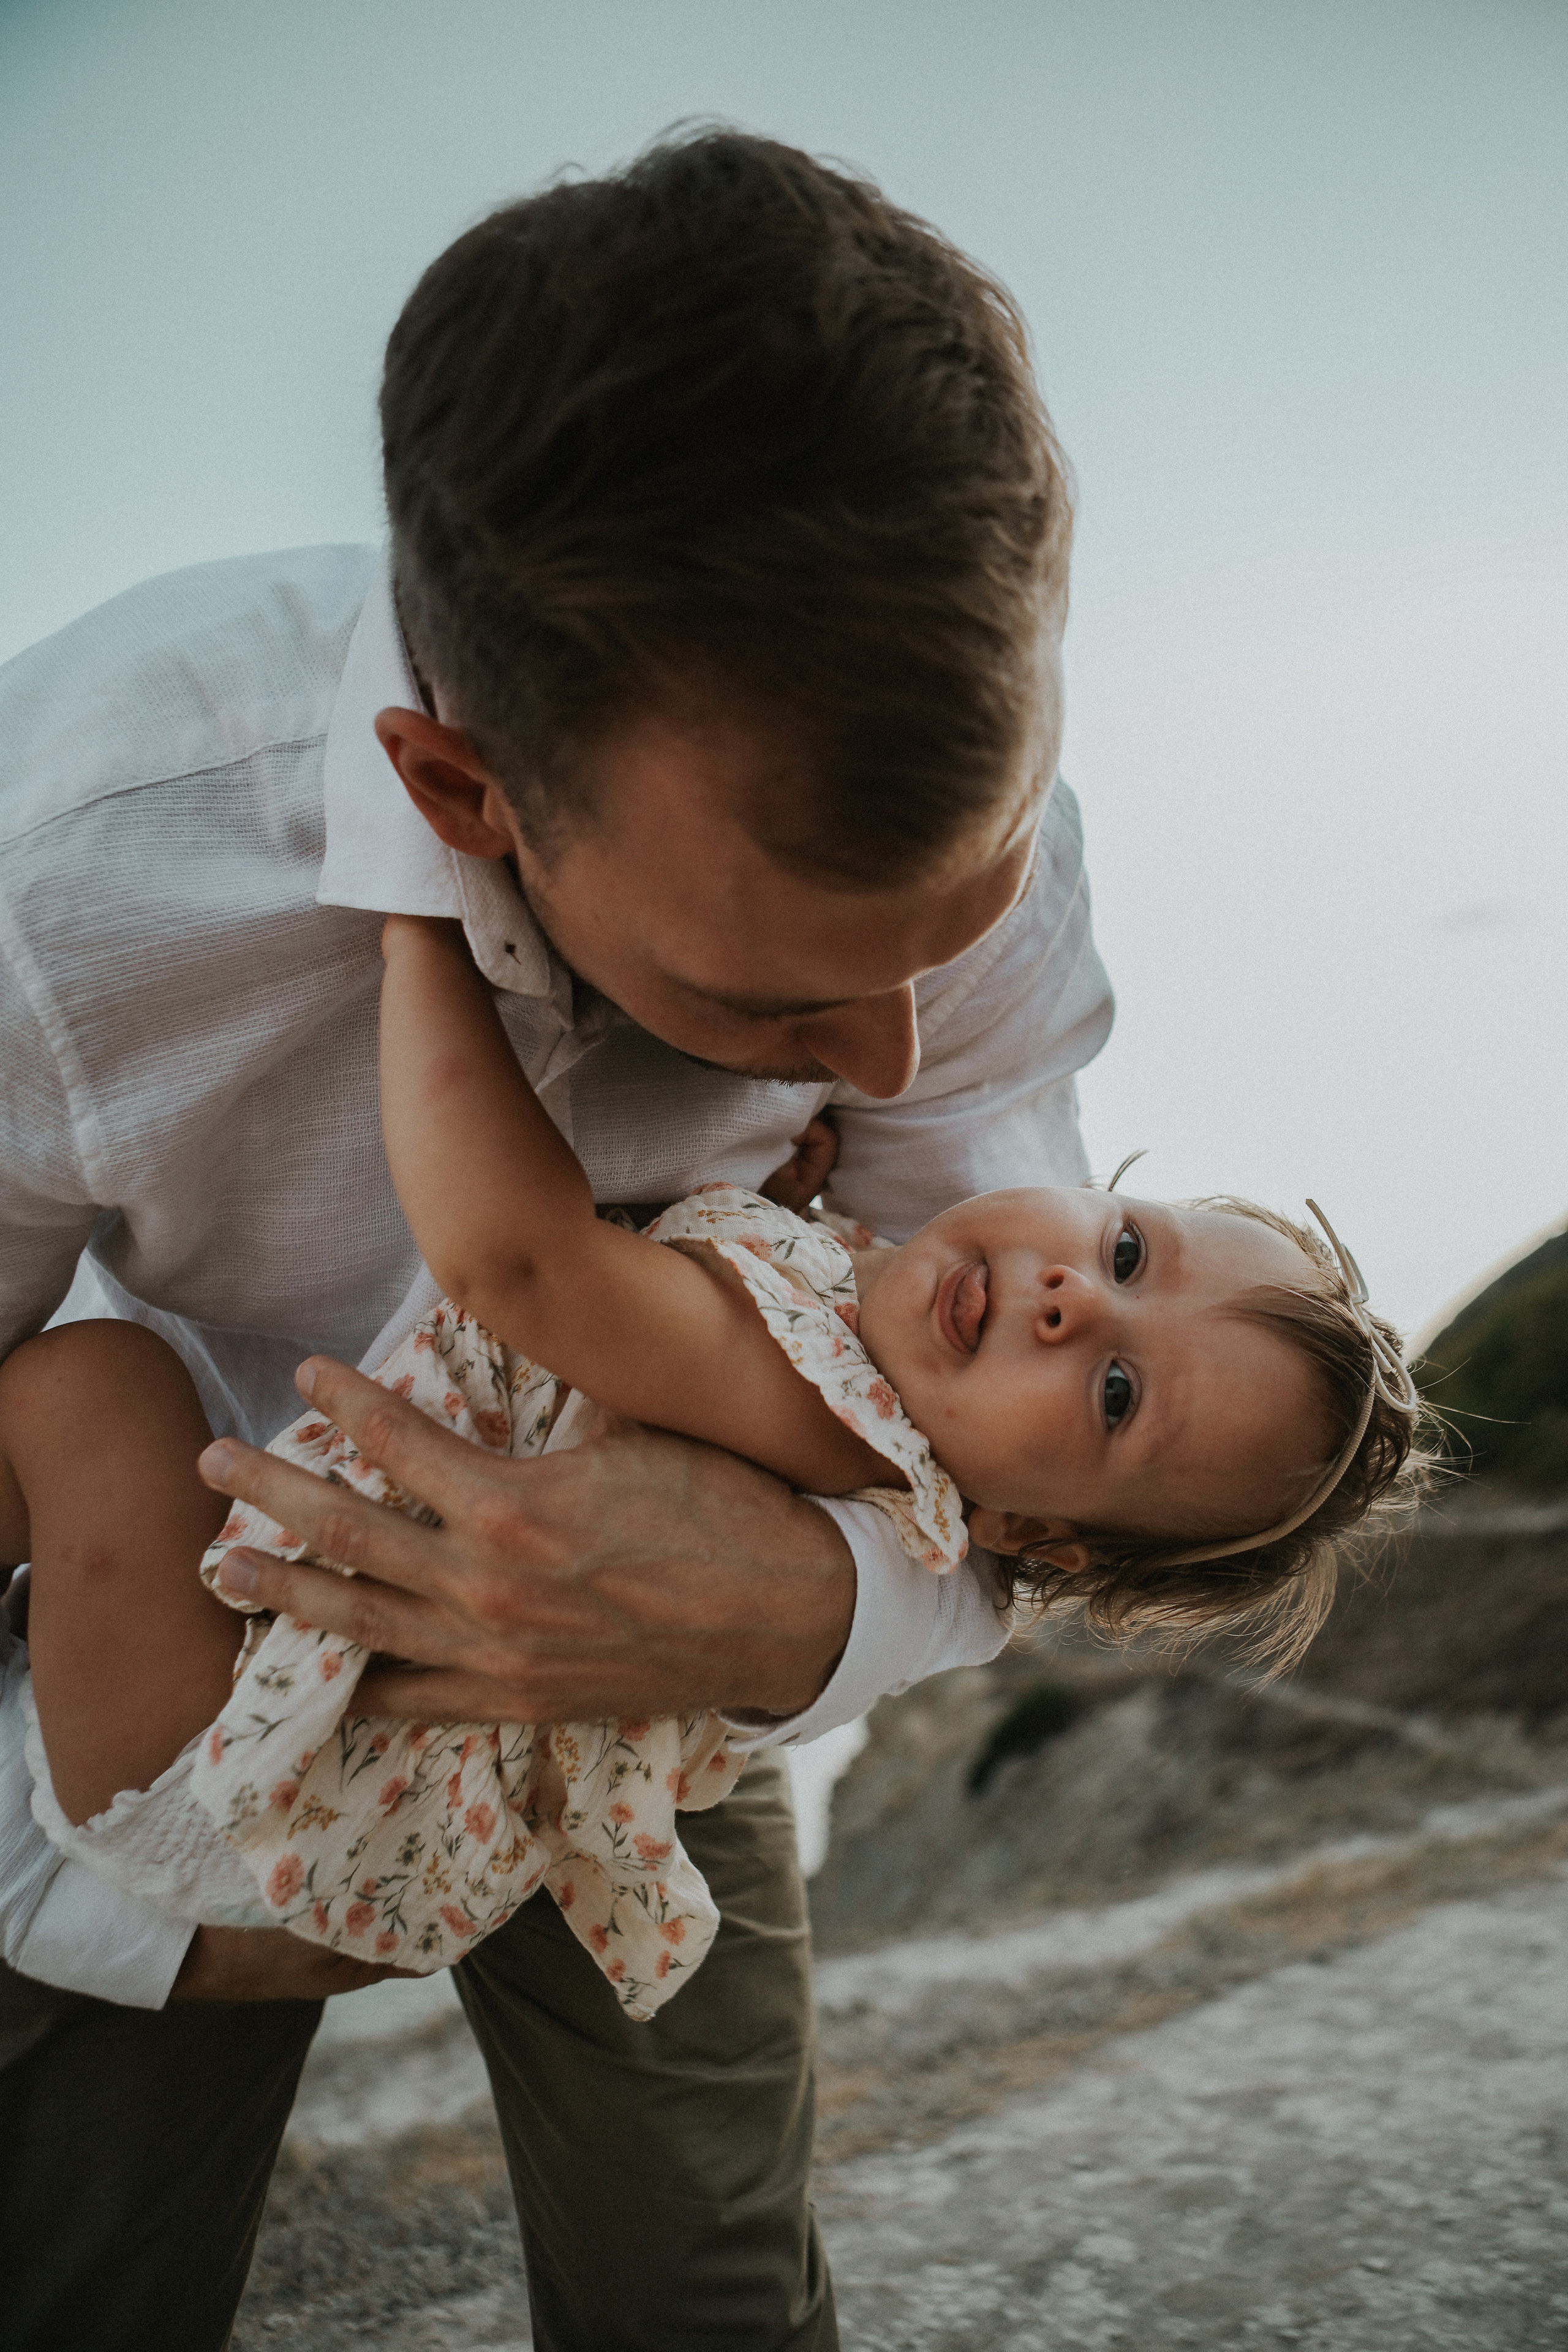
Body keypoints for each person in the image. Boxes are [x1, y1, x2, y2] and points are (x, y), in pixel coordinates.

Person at [0, 130, 1115, 2350]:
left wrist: (802, 1604)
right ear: (462, 794)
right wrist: (95, 1889)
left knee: (705, 2289)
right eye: (771, 996)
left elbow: (1022, 1476)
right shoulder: (67, 876)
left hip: (663, 1716)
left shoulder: (951, 826)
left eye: (956, 926)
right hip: (160, 1672)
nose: (886, 1055)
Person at [7, 913, 1424, 2020]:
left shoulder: (830, 1418)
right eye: (1124, 1247)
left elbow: (520, 1262)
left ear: (1019, 1525)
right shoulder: (844, 1316)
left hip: (214, 1765)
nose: (1072, 1300)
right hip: (269, 1770)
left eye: (1115, 1393)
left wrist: (419, 945)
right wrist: (758, 1196)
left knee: (88, 1387)